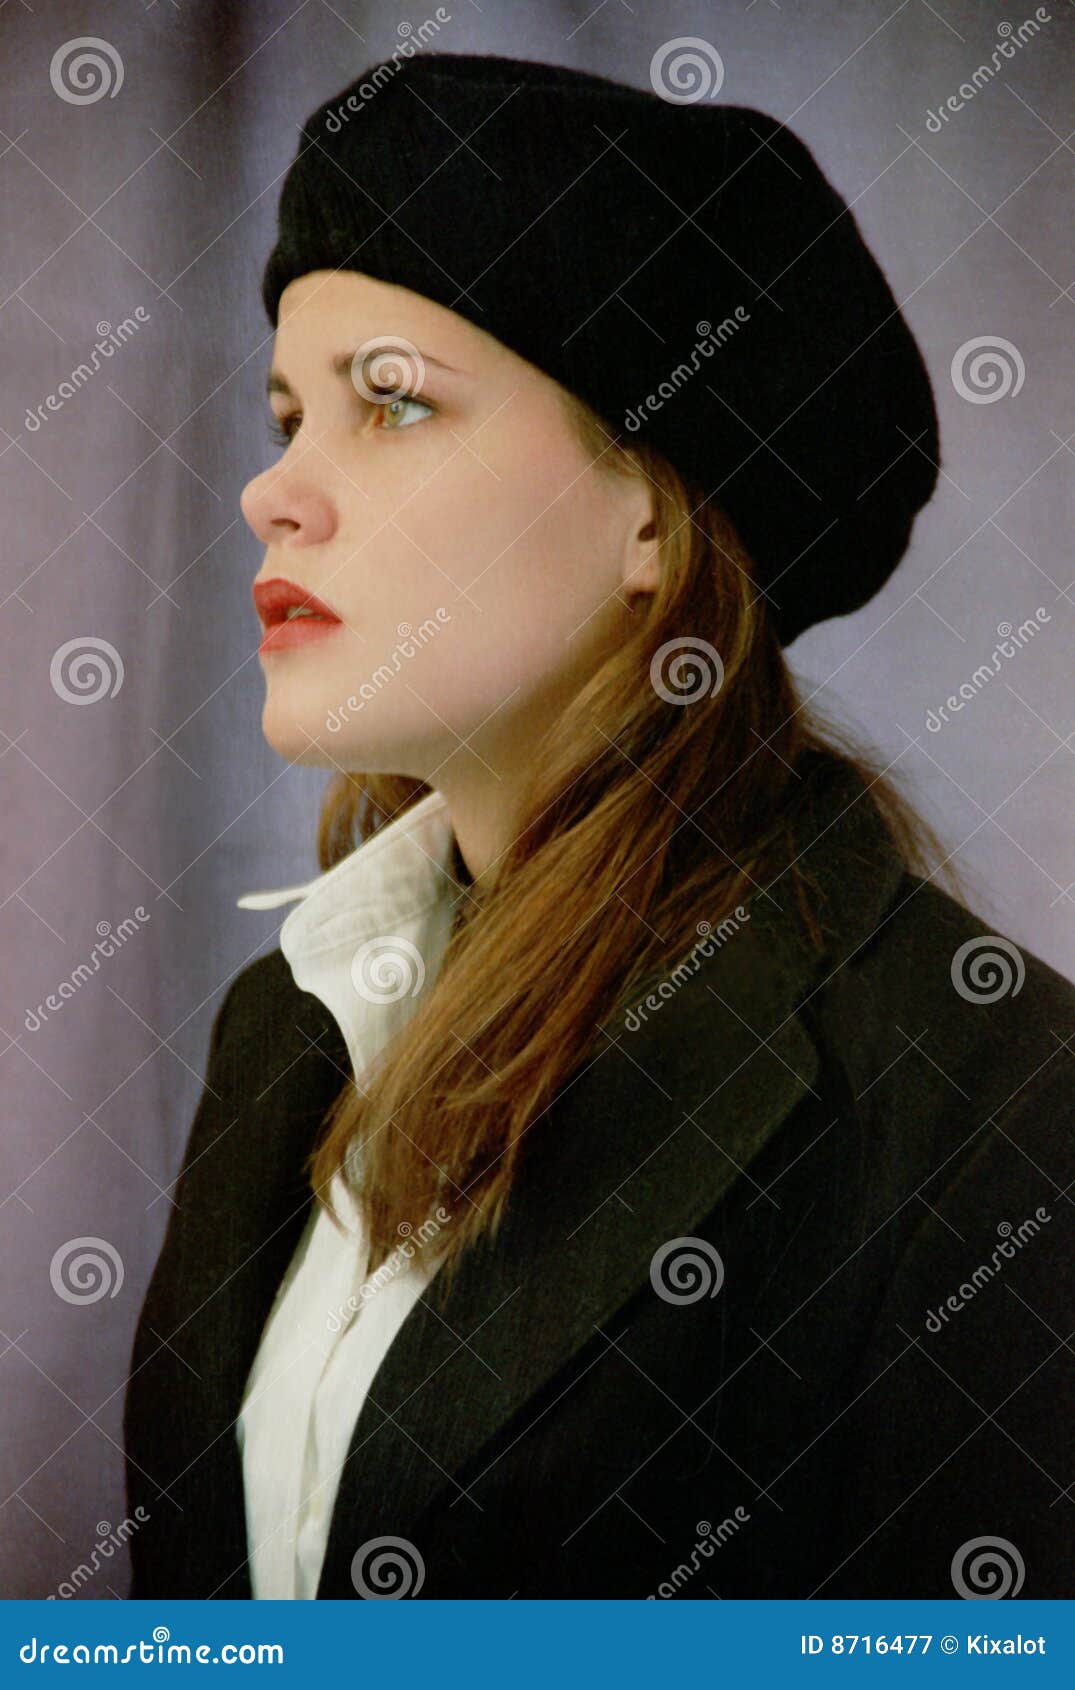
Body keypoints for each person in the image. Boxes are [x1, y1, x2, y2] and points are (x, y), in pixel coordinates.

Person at [123, 52, 1073, 1601]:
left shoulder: (992, 1103)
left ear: (651, 507)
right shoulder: (283, 1033)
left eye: (393, 402)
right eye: (289, 413)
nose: (272, 491)